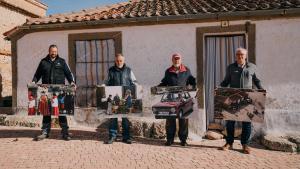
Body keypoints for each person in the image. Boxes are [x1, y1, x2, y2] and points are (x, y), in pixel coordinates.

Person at [220, 47, 263, 154]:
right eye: (238, 55)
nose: (240, 56)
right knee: (230, 122)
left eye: (242, 55)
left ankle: (245, 145)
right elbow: (226, 81)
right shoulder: (231, 67)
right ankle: (229, 143)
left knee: (247, 123)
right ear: (236, 56)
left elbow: (256, 81)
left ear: (245, 56)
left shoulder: (252, 67)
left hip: (247, 99)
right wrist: (219, 89)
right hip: (233, 98)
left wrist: (261, 91)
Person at [32, 44, 76, 141]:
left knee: (61, 112)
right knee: (46, 112)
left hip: (59, 92)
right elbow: (37, 74)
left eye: (55, 51)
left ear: (57, 51)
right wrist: (33, 82)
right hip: (47, 91)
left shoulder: (62, 62)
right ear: (49, 51)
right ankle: (45, 132)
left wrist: (72, 82)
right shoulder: (43, 62)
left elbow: (69, 74)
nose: (54, 53)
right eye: (52, 51)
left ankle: (65, 132)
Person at [159, 53, 196, 146]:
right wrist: (158, 87)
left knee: (183, 119)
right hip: (171, 98)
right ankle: (170, 139)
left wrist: (195, 84)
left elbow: (191, 80)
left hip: (182, 99)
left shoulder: (186, 70)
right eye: (175, 59)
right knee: (170, 119)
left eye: (178, 59)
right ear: (172, 60)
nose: (177, 61)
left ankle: (183, 140)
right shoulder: (168, 71)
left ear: (181, 60)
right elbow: (164, 82)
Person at [104, 53, 137, 144]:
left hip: (125, 98)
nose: (119, 62)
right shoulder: (111, 70)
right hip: (115, 97)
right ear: (115, 60)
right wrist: (102, 86)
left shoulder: (128, 70)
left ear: (123, 60)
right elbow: (106, 81)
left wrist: (137, 88)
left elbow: (134, 82)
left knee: (125, 118)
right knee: (113, 118)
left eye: (121, 60)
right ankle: (112, 136)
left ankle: (126, 137)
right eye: (117, 60)